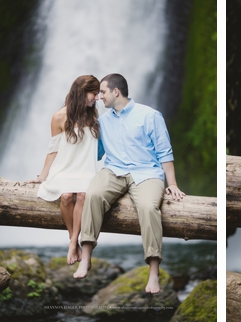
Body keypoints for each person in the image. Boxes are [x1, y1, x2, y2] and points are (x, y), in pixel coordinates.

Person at [73, 73, 186, 294]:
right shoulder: (102, 122)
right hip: (113, 170)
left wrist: (172, 183)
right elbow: (95, 153)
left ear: (116, 91)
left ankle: (154, 271)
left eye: (102, 92)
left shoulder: (150, 116)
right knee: (93, 195)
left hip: (147, 172)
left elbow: (165, 152)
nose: (99, 97)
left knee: (148, 207)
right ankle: (85, 257)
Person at [27, 75, 102, 266]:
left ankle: (72, 243)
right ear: (82, 93)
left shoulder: (93, 114)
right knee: (66, 196)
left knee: (83, 195)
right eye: (94, 93)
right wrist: (42, 176)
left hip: (86, 169)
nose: (97, 98)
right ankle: (73, 239)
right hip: (64, 169)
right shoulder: (59, 117)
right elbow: (53, 149)